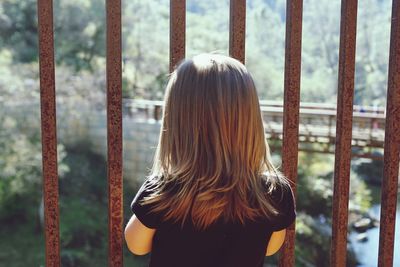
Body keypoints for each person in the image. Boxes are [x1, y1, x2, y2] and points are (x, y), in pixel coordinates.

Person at [124, 53, 296, 267]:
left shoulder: (164, 190)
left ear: (178, 122)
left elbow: (136, 245)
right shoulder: (274, 192)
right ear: (250, 120)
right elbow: (270, 247)